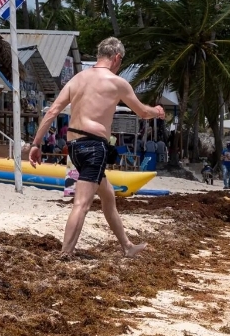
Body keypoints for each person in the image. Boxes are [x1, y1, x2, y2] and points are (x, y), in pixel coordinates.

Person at [30, 37, 165, 258]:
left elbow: (52, 111)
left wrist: (36, 144)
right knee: (82, 203)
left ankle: (127, 246)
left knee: (108, 196)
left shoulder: (77, 79)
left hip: (74, 147)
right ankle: (65, 253)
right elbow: (141, 112)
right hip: (94, 147)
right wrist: (157, 111)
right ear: (117, 58)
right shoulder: (116, 82)